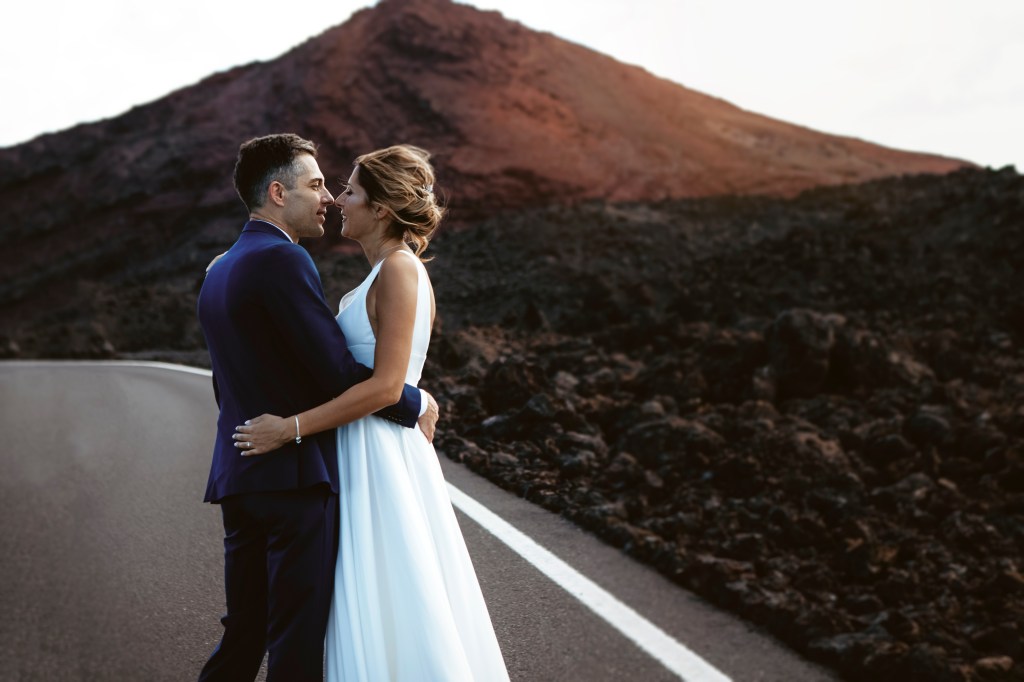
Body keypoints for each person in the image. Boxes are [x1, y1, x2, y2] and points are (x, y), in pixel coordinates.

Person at [235, 144, 509, 681]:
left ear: (381, 209)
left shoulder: (401, 271)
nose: (337, 200)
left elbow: (386, 387)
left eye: (351, 191)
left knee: (392, 595)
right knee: (360, 600)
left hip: (381, 456)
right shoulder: (379, 274)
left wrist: (290, 430)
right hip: (355, 448)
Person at [196, 134, 439, 682]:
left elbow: (227, 380)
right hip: (292, 479)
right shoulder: (283, 258)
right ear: (278, 193)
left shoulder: (220, 269)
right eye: (317, 185)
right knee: (295, 641)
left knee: (244, 633)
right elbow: (330, 369)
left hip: (240, 472)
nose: (328, 196)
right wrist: (414, 399)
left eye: (335, 187)